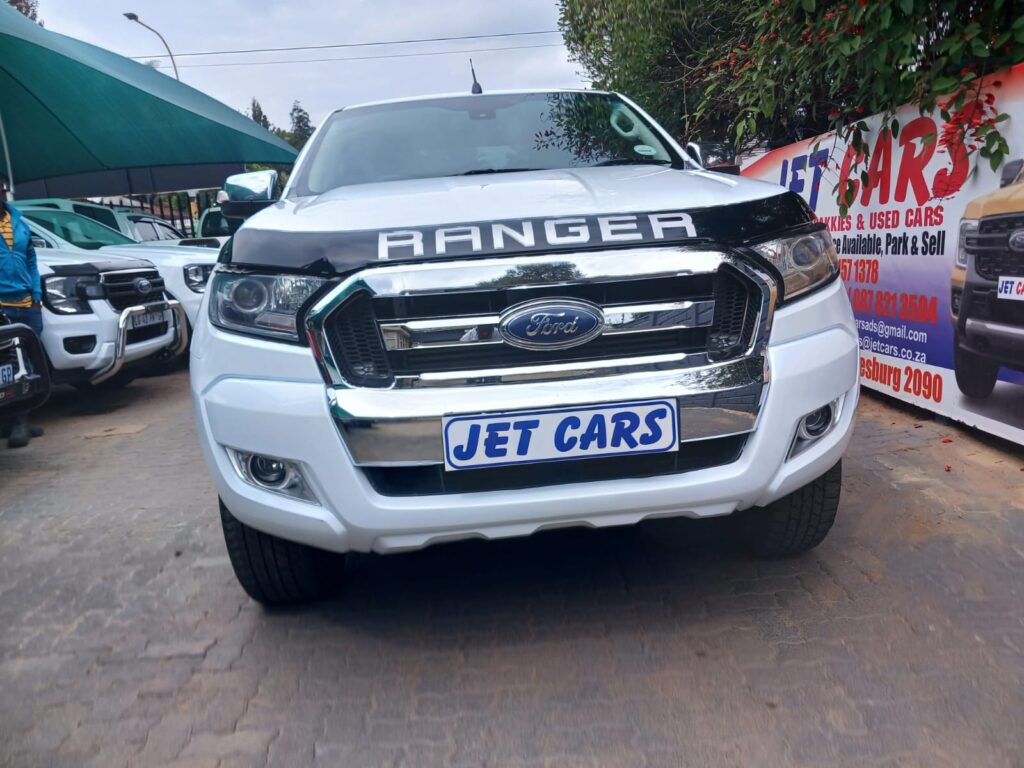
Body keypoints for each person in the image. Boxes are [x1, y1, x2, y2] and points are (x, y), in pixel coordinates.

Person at [0, 176, 44, 448]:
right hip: (2, 305)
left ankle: (21, 420)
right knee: (7, 367)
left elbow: (31, 260)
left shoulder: (18, 221)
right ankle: (15, 422)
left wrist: (37, 296)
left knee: (27, 364)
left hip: (27, 304)